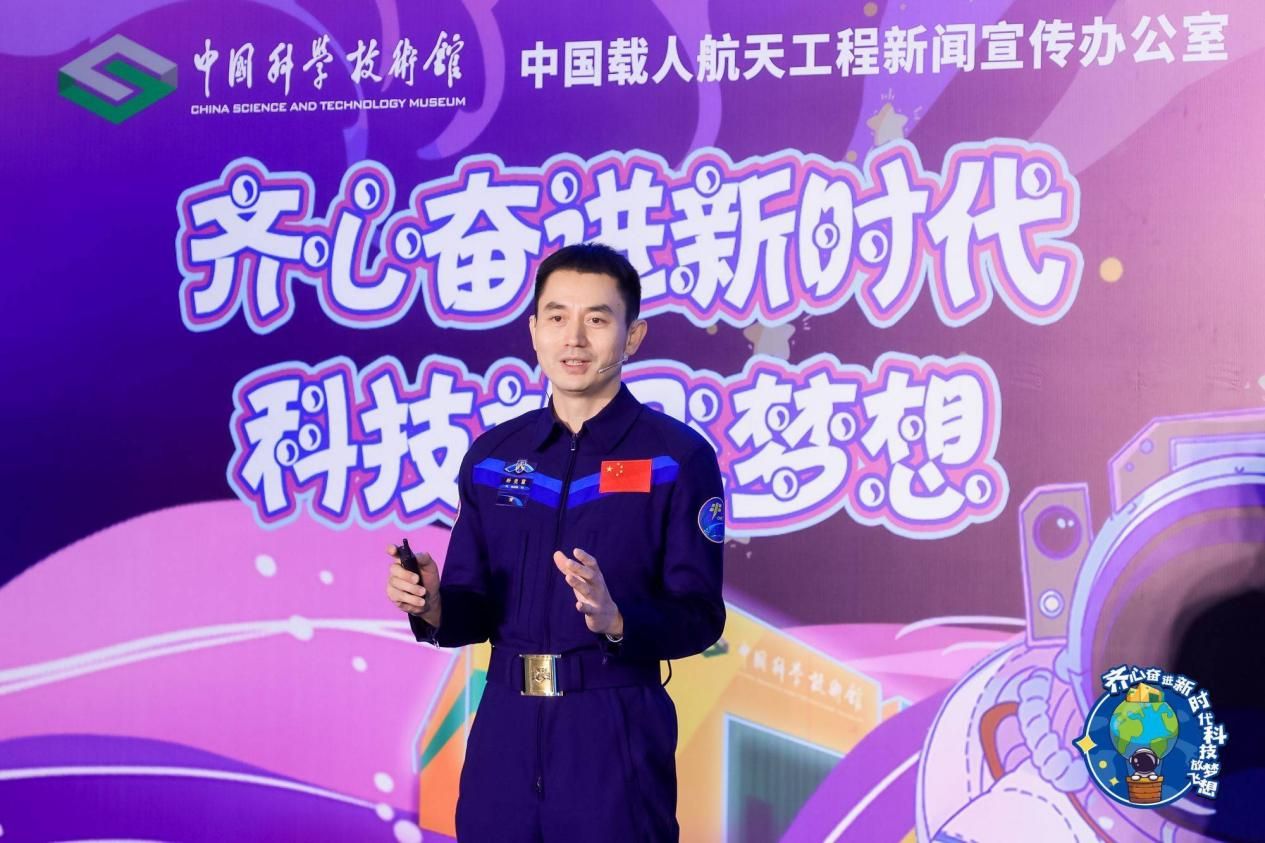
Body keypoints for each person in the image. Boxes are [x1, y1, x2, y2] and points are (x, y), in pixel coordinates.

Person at [385, 242, 726, 842]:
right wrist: (434, 604)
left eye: (597, 319)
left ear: (633, 336)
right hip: (505, 731)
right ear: (534, 332)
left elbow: (700, 617)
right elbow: (474, 605)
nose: (575, 338)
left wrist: (617, 619)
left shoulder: (678, 458)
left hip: (613, 728)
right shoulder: (493, 457)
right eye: (557, 316)